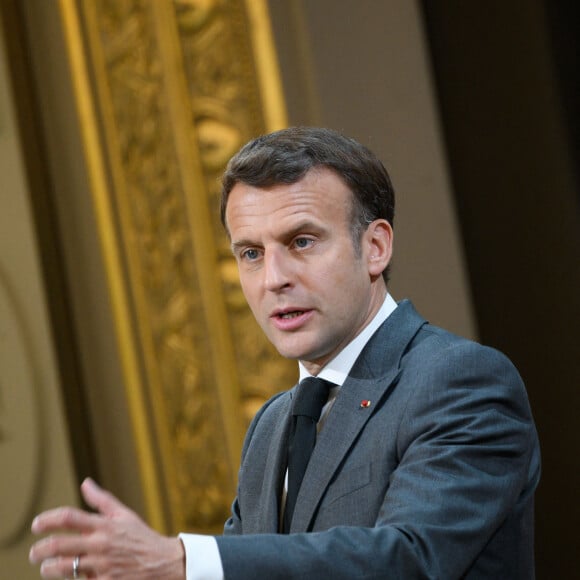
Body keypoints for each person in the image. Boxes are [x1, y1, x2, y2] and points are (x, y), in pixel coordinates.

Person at [29, 127, 540, 579]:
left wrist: (185, 561)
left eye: (301, 241)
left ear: (376, 247)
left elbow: (406, 561)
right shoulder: (272, 425)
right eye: (251, 253)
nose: (274, 279)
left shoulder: (460, 380)